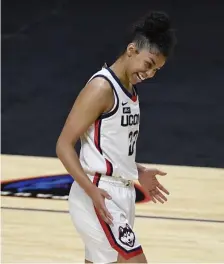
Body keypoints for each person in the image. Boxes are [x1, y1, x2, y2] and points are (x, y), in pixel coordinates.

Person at [56, 10, 176, 263]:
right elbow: (64, 146)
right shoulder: (101, 88)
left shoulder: (129, 89)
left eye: (157, 70)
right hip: (99, 193)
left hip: (121, 192)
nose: (150, 74)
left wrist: (137, 170)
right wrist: (91, 191)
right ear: (132, 50)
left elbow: (110, 148)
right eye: (149, 64)